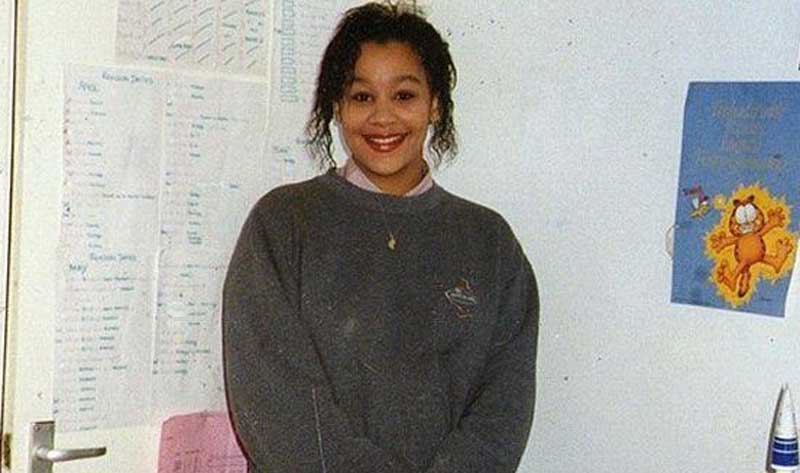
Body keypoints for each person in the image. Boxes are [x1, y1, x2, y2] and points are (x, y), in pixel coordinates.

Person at [222, 2, 539, 472]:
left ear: (435, 104)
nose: (383, 117)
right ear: (338, 107)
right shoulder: (283, 224)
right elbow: (277, 412)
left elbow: (502, 412)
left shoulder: (491, 243)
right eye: (362, 96)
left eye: (404, 95)